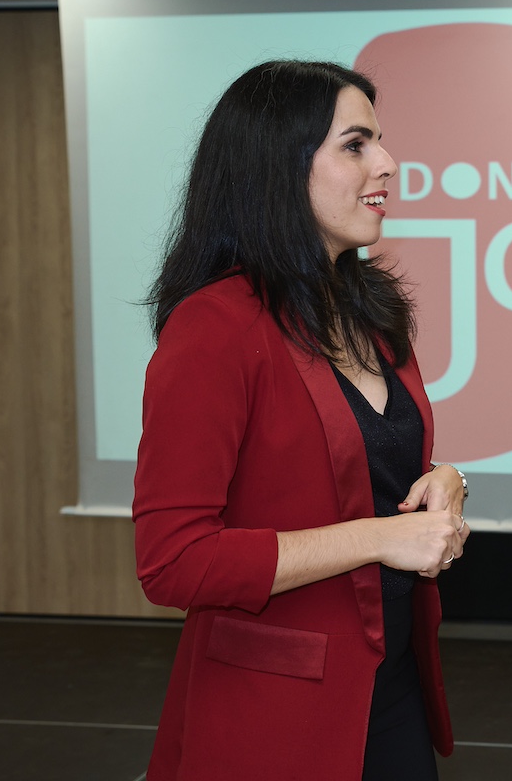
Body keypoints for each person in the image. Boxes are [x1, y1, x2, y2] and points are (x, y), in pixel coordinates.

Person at [132, 60, 470, 781]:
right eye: (355, 145)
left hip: (394, 687)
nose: (386, 163)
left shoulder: (372, 311)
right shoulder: (215, 328)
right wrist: (382, 537)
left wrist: (444, 481)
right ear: (279, 168)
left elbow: (367, 471)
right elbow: (173, 561)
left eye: (378, 140)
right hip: (275, 716)